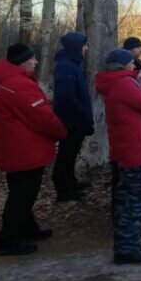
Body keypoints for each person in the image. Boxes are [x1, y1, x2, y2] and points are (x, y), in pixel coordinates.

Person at [0, 43, 67, 256]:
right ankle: (8, 242)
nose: (36, 61)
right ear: (22, 62)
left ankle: (28, 229)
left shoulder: (1, 81)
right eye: (32, 58)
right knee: (22, 196)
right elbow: (42, 117)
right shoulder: (18, 85)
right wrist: (62, 132)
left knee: (20, 192)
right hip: (25, 149)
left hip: (11, 145)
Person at [95, 48, 141, 264]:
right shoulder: (123, 84)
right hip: (137, 149)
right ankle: (126, 247)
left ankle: (130, 240)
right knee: (136, 199)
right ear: (125, 65)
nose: (136, 66)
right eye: (132, 63)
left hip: (131, 146)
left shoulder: (122, 83)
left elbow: (140, 98)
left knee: (129, 197)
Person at [52, 32, 94, 202]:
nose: (86, 48)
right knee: (66, 154)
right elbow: (67, 96)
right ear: (76, 46)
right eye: (84, 45)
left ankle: (71, 182)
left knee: (71, 153)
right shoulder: (66, 66)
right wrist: (83, 114)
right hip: (70, 121)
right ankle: (63, 188)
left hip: (75, 119)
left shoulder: (72, 64)